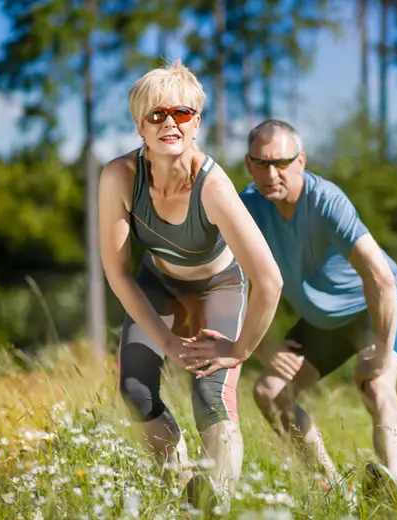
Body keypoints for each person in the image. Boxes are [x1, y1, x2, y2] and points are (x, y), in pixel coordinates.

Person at [98, 61, 283, 510]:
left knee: (209, 393)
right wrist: (164, 338)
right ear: (139, 126)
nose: (169, 123)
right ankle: (183, 491)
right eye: (155, 115)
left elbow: (269, 280)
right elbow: (119, 272)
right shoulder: (119, 177)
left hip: (216, 286)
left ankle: (215, 501)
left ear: (196, 122)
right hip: (158, 282)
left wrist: (238, 350)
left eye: (180, 113)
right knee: (136, 391)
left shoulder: (213, 186)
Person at [236, 119, 397, 502]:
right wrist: (262, 343)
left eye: (281, 163)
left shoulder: (326, 201)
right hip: (323, 318)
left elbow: (380, 280)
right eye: (261, 164)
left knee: (377, 386)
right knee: (270, 392)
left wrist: (382, 354)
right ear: (249, 165)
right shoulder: (246, 207)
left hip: (375, 306)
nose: (271, 173)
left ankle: (392, 490)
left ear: (300, 161)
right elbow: (229, 281)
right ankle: (335, 492)